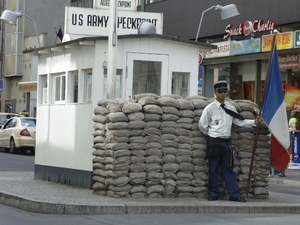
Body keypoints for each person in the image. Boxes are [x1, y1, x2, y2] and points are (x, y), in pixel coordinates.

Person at [198, 80, 262, 202]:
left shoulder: (230, 108)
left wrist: (253, 123)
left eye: (225, 91)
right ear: (215, 92)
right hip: (214, 141)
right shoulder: (209, 109)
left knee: (229, 168)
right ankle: (213, 193)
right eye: (220, 91)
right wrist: (211, 136)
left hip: (226, 142)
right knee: (213, 169)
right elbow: (202, 125)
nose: (223, 94)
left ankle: (234, 195)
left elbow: (239, 122)